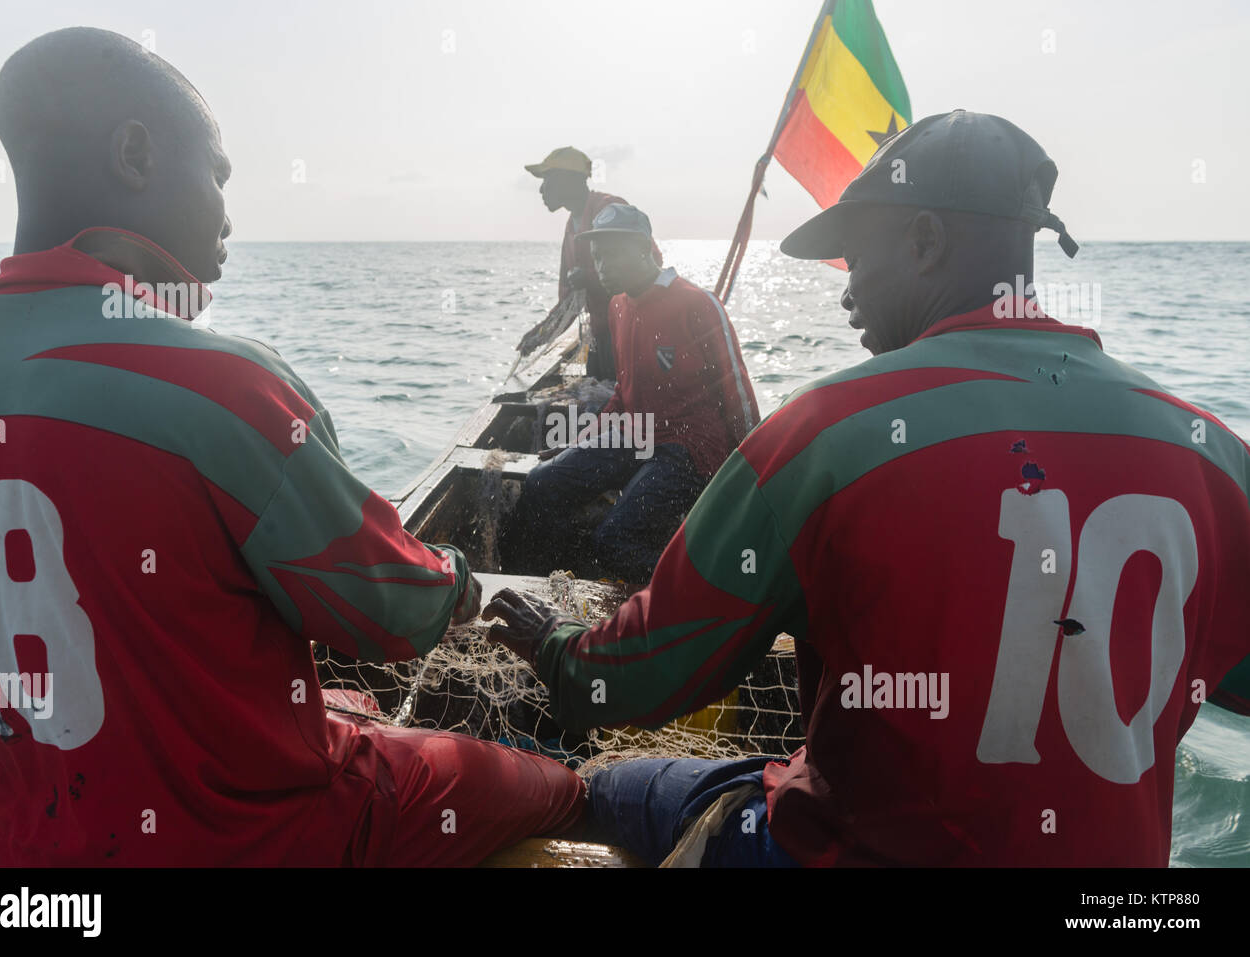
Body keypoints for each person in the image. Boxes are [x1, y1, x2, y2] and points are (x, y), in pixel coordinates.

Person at [485, 110, 1250, 867]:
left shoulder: (826, 434)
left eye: (855, 258)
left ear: (925, 241)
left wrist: (555, 649)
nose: (845, 293)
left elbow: (636, 679)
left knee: (617, 790)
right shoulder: (1213, 456)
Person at [0, 27, 584, 867]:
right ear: (135, 154)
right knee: (553, 785)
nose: (228, 214)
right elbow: (388, 609)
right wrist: (458, 586)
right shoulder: (220, 384)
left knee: (340, 703)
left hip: (33, 840)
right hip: (271, 837)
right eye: (216, 175)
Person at [503, 203, 758, 582]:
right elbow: (624, 393)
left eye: (610, 256)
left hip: (691, 447)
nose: (600, 268)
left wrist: (755, 471)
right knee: (541, 484)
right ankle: (555, 585)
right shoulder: (618, 306)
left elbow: (736, 391)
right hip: (637, 432)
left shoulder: (697, 304)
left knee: (616, 539)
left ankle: (702, 592)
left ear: (643, 249)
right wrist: (578, 441)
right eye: (596, 258)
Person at [525, 146, 661, 379]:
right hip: (603, 334)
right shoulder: (571, 227)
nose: (541, 190)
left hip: (634, 330)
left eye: (547, 180)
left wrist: (589, 277)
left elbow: (651, 262)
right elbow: (568, 298)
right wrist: (542, 332)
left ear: (568, 181)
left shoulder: (609, 209)